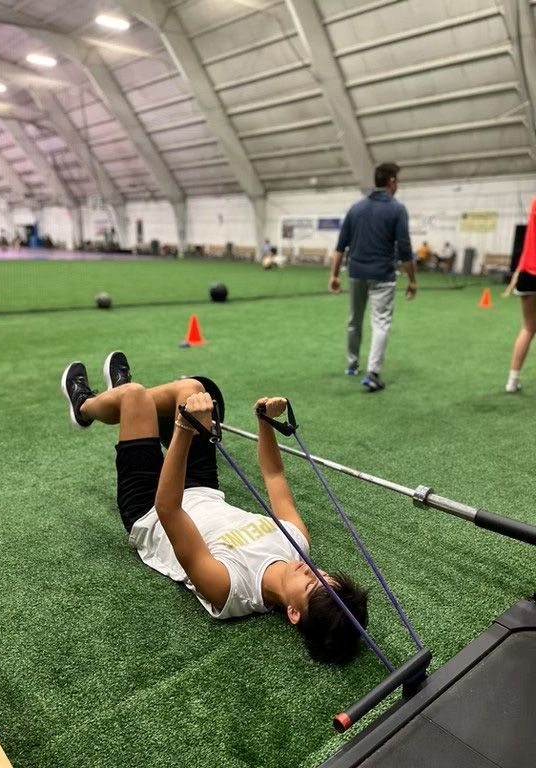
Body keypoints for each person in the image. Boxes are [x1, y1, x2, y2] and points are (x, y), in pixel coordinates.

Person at [61, 352, 368, 663]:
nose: (310, 569)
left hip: (149, 508)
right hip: (203, 488)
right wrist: (266, 423)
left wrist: (183, 428)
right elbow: (274, 475)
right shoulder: (297, 544)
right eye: (323, 574)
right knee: (192, 389)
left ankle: (86, 406)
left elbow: (169, 510)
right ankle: (122, 405)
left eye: (309, 585)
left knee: (135, 396)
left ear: (292, 612)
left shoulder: (231, 589)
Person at [329, 163, 417, 391]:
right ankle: (373, 373)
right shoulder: (397, 209)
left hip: (356, 272)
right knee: (381, 323)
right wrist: (412, 280)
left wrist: (334, 275)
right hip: (382, 275)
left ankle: (352, 364)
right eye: (397, 180)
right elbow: (405, 249)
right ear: (391, 182)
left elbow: (340, 247)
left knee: (354, 320)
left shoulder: (356, 208)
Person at [505, 199, 536, 393]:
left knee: (528, 328)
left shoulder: (535, 202)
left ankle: (512, 381)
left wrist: (518, 270)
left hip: (527, 273)